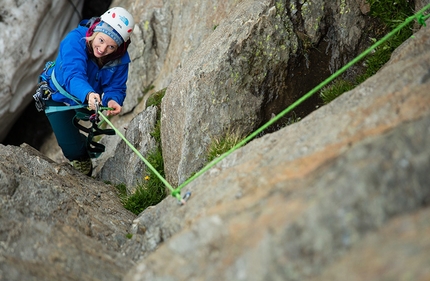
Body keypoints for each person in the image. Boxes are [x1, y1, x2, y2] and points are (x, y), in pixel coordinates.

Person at [35, 7, 135, 176]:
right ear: (95, 31)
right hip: (58, 97)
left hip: (87, 99)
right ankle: (82, 159)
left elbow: (116, 87)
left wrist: (113, 100)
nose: (103, 49)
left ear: (119, 47)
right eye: (101, 40)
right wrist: (88, 94)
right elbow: (73, 75)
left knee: (80, 129)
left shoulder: (119, 59)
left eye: (111, 46)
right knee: (74, 151)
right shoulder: (75, 40)